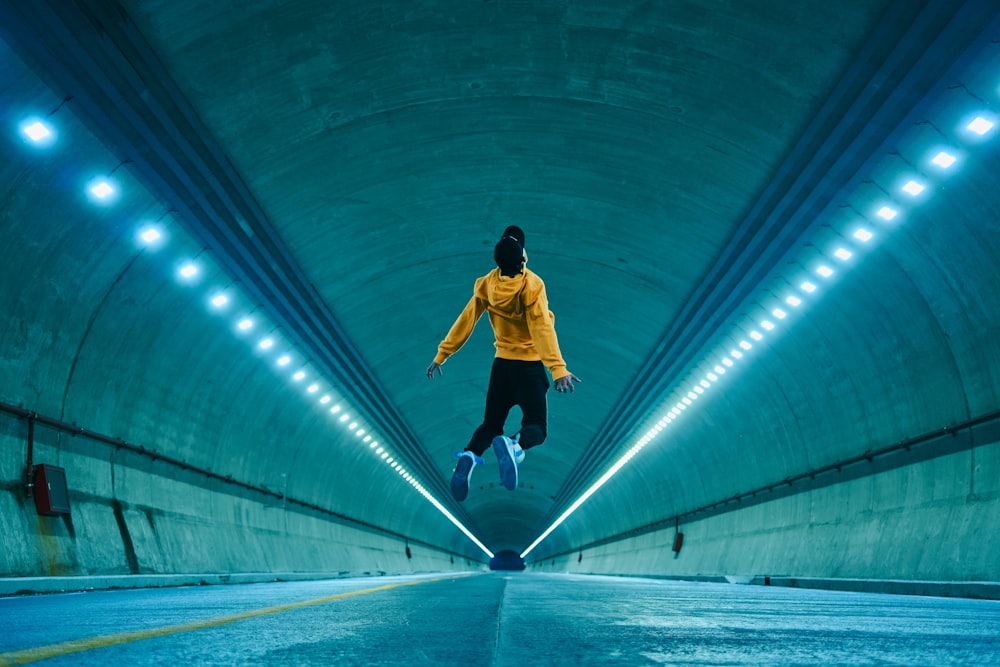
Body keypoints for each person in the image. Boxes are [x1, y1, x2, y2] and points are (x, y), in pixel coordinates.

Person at [427, 226, 580, 502]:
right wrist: (558, 369)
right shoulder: (532, 285)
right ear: (523, 255)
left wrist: (442, 354)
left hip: (501, 367)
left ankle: (469, 458)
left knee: (489, 425)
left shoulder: (485, 284)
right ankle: (514, 445)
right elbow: (542, 328)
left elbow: (466, 321)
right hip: (529, 368)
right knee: (536, 426)